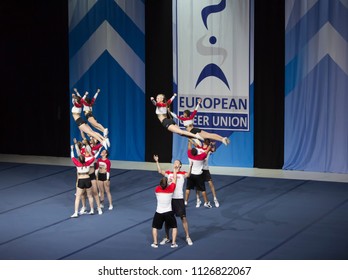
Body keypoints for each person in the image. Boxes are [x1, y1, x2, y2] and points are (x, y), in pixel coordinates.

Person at [153, 155, 193, 246]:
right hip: (169, 199)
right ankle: (167, 237)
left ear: (180, 166)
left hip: (179, 199)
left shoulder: (182, 173)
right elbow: (160, 171)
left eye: (177, 162)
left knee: (183, 218)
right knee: (168, 220)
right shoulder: (169, 173)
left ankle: (187, 237)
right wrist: (157, 161)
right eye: (174, 162)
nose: (175, 163)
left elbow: (189, 175)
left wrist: (190, 166)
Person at [70, 144, 103, 218]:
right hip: (87, 178)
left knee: (92, 193)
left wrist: (72, 149)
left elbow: (72, 157)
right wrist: (99, 150)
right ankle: (88, 208)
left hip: (87, 177)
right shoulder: (87, 162)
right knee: (87, 195)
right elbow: (95, 156)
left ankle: (98, 208)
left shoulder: (79, 163)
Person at [151, 164, 179, 249]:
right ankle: (173, 243)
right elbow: (174, 181)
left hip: (159, 212)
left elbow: (163, 185)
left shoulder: (157, 189)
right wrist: (174, 170)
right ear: (167, 184)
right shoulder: (171, 189)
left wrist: (168, 182)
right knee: (174, 227)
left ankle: (155, 243)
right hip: (168, 212)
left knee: (154, 227)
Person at [184, 140, 213, 208]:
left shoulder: (189, 155)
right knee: (203, 190)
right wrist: (210, 144)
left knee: (188, 189)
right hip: (198, 176)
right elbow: (207, 150)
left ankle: (185, 202)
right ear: (197, 152)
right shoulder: (201, 157)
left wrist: (189, 141)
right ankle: (206, 203)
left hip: (191, 175)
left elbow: (189, 147)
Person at [193, 139, 220, 208]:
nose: (203, 144)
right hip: (199, 169)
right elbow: (194, 144)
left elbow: (214, 150)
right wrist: (189, 138)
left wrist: (213, 145)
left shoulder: (209, 149)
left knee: (210, 184)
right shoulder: (199, 147)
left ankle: (215, 199)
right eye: (204, 143)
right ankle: (198, 200)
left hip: (206, 169)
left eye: (205, 143)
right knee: (197, 186)